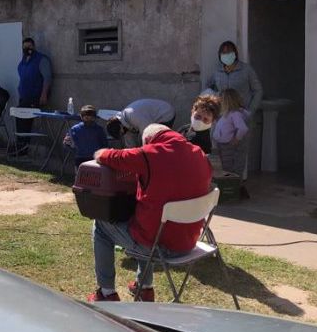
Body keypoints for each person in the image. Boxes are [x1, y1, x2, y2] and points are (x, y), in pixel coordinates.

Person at [86, 124, 212, 302]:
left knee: (101, 225)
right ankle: (144, 288)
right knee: (148, 223)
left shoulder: (150, 154)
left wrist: (101, 152)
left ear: (147, 140)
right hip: (188, 243)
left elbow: (108, 156)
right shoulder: (199, 154)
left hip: (160, 247)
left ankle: (106, 292)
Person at [15, 37, 52, 154]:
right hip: (24, 97)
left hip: (35, 97)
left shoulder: (41, 59)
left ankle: (23, 148)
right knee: (20, 120)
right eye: (25, 47)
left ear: (34, 47)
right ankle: (20, 147)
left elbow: (47, 78)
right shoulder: (24, 61)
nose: (27, 49)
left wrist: (44, 94)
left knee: (25, 121)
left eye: (29, 46)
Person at [206, 41, 263, 117]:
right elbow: (208, 87)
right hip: (222, 116)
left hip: (242, 116)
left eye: (229, 52)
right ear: (220, 55)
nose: (226, 54)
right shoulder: (217, 71)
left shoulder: (246, 70)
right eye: (224, 52)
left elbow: (258, 91)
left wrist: (250, 111)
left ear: (235, 53)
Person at [105, 98, 175, 147]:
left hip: (165, 113)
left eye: (121, 133)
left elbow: (149, 135)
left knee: (157, 141)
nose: (123, 134)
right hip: (151, 116)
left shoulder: (134, 117)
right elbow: (130, 145)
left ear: (120, 127)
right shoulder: (124, 123)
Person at [212, 89, 250, 177]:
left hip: (228, 145)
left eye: (221, 100)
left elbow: (243, 128)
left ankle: (233, 186)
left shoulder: (235, 114)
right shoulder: (227, 114)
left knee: (228, 168)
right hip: (222, 145)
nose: (219, 102)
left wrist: (236, 139)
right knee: (225, 167)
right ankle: (230, 185)